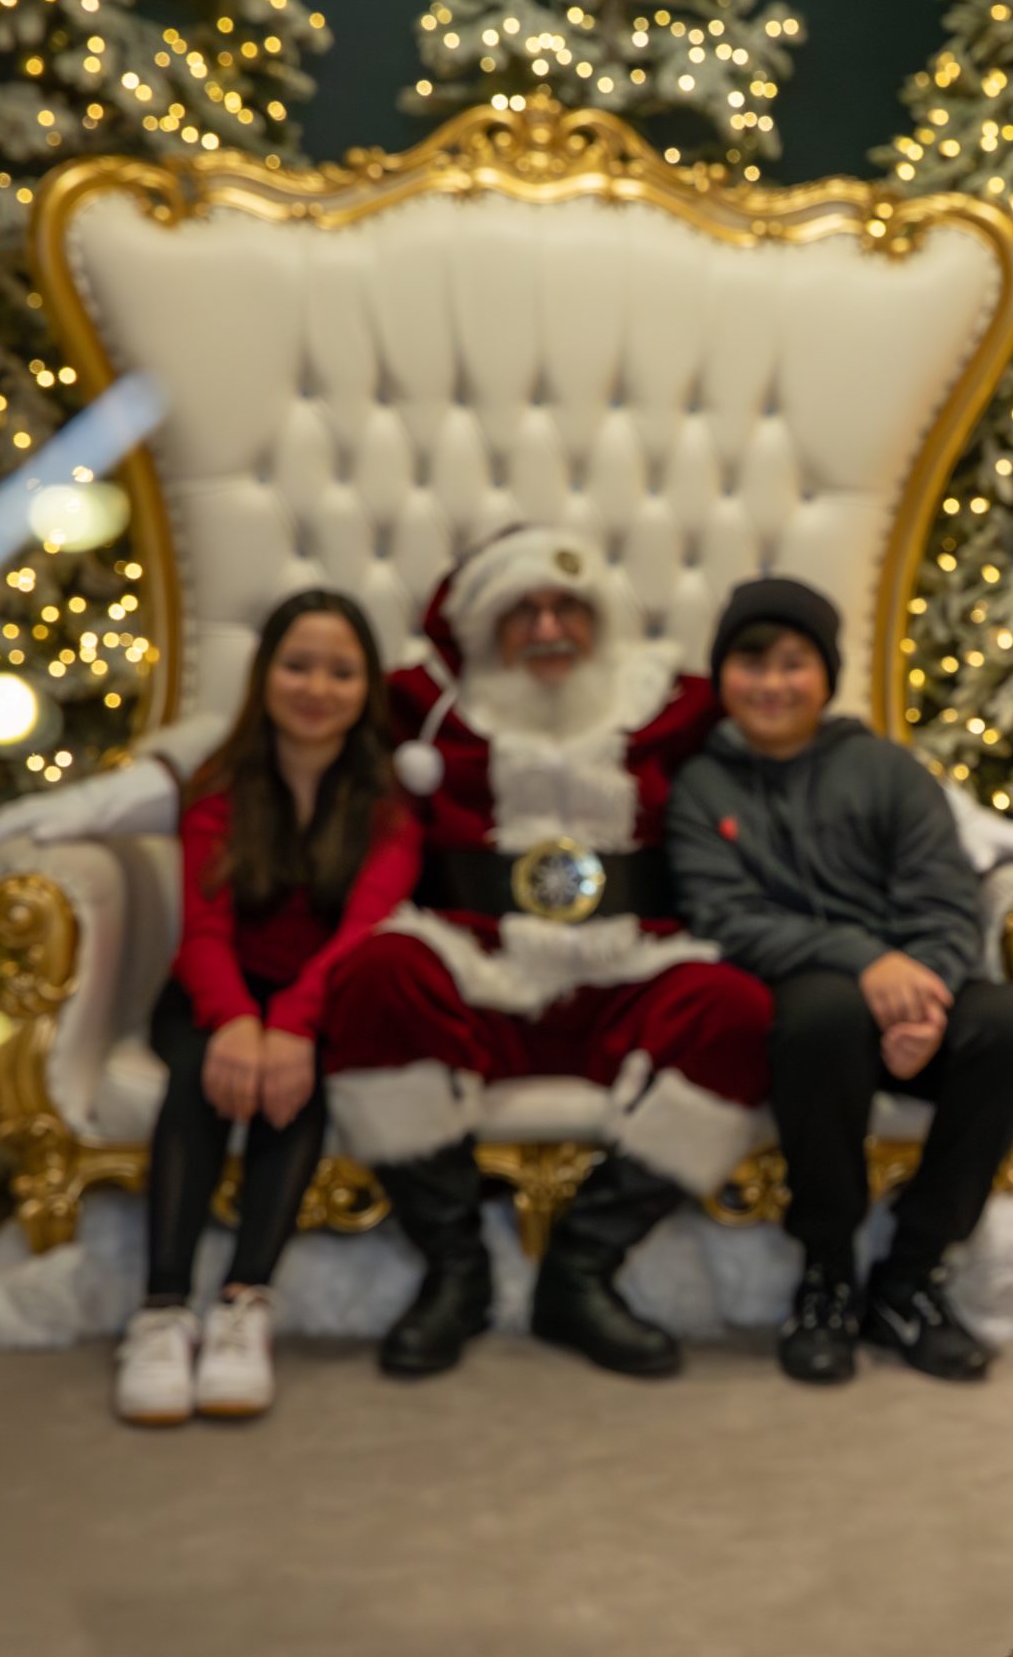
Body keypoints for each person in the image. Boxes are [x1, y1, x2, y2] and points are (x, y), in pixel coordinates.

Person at [315, 529, 772, 1381]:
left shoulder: (674, 703)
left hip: (627, 971)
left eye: (568, 607)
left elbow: (811, 741)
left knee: (737, 1007)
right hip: (475, 967)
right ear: (486, 629)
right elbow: (259, 735)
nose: (549, 625)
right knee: (379, 977)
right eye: (522, 610)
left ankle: (581, 1270)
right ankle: (456, 1270)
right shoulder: (422, 706)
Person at [668, 576, 1013, 1385]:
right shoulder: (703, 788)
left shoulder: (884, 769)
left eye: (792, 662)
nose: (771, 683)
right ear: (722, 675)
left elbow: (947, 899)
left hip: (922, 989)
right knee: (824, 1012)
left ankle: (910, 1274)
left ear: (826, 674)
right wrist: (862, 960)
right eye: (750, 662)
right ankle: (827, 1274)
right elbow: (724, 916)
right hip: (809, 1009)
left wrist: (925, 996)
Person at [115, 589, 421, 1426]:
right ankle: (163, 1309)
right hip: (215, 992)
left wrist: (289, 1025)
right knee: (195, 1078)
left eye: (341, 671)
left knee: (297, 1085)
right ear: (264, 675)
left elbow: (364, 928)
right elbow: (202, 928)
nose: (316, 687)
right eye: (298, 665)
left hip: (316, 996)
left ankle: (247, 1304)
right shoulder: (220, 783)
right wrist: (236, 1022)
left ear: (367, 690)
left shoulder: (390, 803)